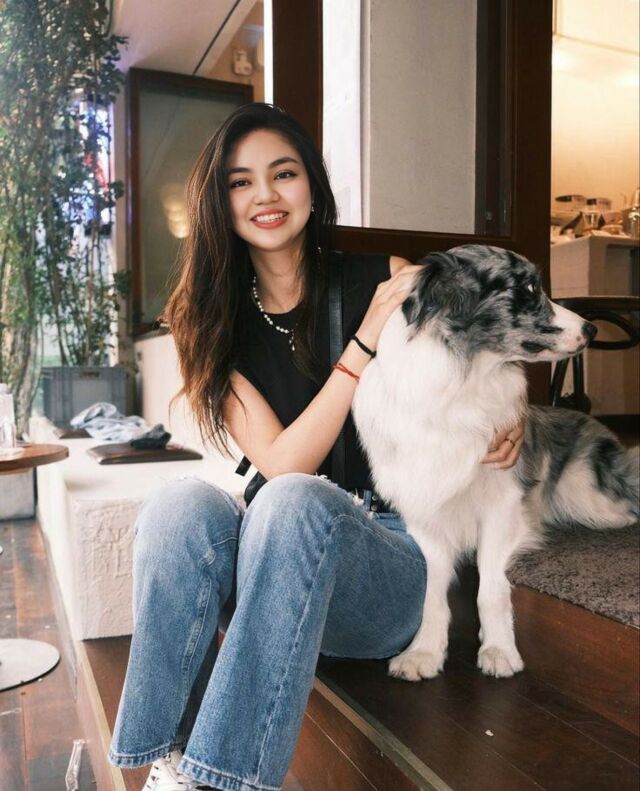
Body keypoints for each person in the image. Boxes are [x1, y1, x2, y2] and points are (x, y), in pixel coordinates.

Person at [107, 103, 524, 791]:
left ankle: (226, 784)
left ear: (311, 185)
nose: (265, 195)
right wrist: (362, 346)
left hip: (392, 561)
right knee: (178, 507)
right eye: (241, 182)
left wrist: (512, 418)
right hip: (278, 561)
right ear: (218, 202)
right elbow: (280, 463)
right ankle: (170, 762)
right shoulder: (207, 322)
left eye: (284, 173)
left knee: (295, 502)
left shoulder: (387, 281)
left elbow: (484, 362)